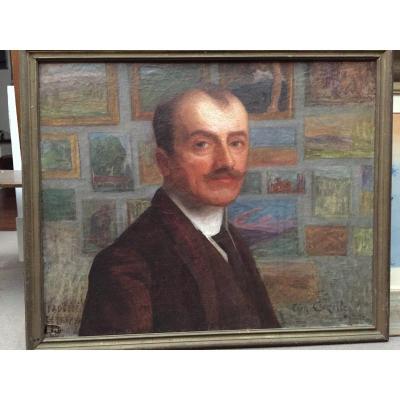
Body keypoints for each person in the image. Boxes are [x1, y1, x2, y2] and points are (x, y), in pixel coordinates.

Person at [79, 87, 280, 336]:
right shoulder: (125, 265)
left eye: (236, 143)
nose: (227, 161)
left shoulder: (232, 240)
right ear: (165, 162)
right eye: (202, 144)